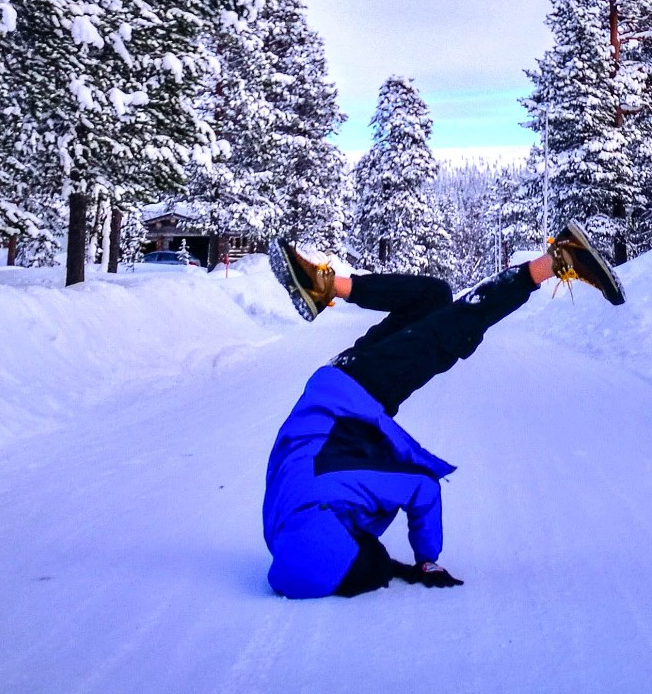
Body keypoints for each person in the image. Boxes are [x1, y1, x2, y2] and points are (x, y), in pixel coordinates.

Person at [260, 223, 626, 599]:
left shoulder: (332, 491)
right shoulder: (284, 529)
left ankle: (557, 260)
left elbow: (421, 487)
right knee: (432, 297)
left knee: (453, 330)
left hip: (359, 392)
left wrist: (425, 559)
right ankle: (327, 286)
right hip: (331, 382)